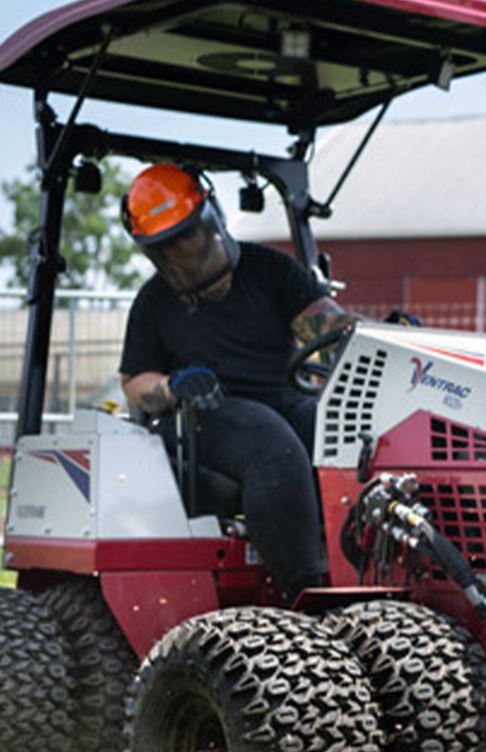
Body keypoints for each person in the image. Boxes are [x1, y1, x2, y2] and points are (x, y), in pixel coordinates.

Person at [116, 163, 352, 599]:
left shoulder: (269, 270)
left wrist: (376, 336)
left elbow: (326, 329)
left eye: (190, 232)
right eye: (171, 244)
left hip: (283, 398)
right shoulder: (154, 302)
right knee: (273, 449)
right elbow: (134, 381)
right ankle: (302, 596)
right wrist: (172, 387)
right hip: (201, 415)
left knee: (344, 437)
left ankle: (361, 574)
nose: (186, 248)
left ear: (212, 216)